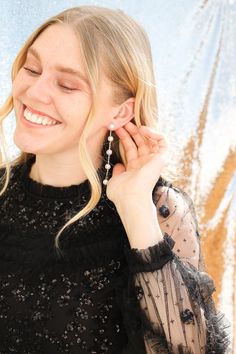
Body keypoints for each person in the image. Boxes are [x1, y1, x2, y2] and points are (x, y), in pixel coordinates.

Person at [0, 5, 230, 354]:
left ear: (121, 111)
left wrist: (135, 208)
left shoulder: (159, 209)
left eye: (66, 85)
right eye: (32, 69)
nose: (32, 92)